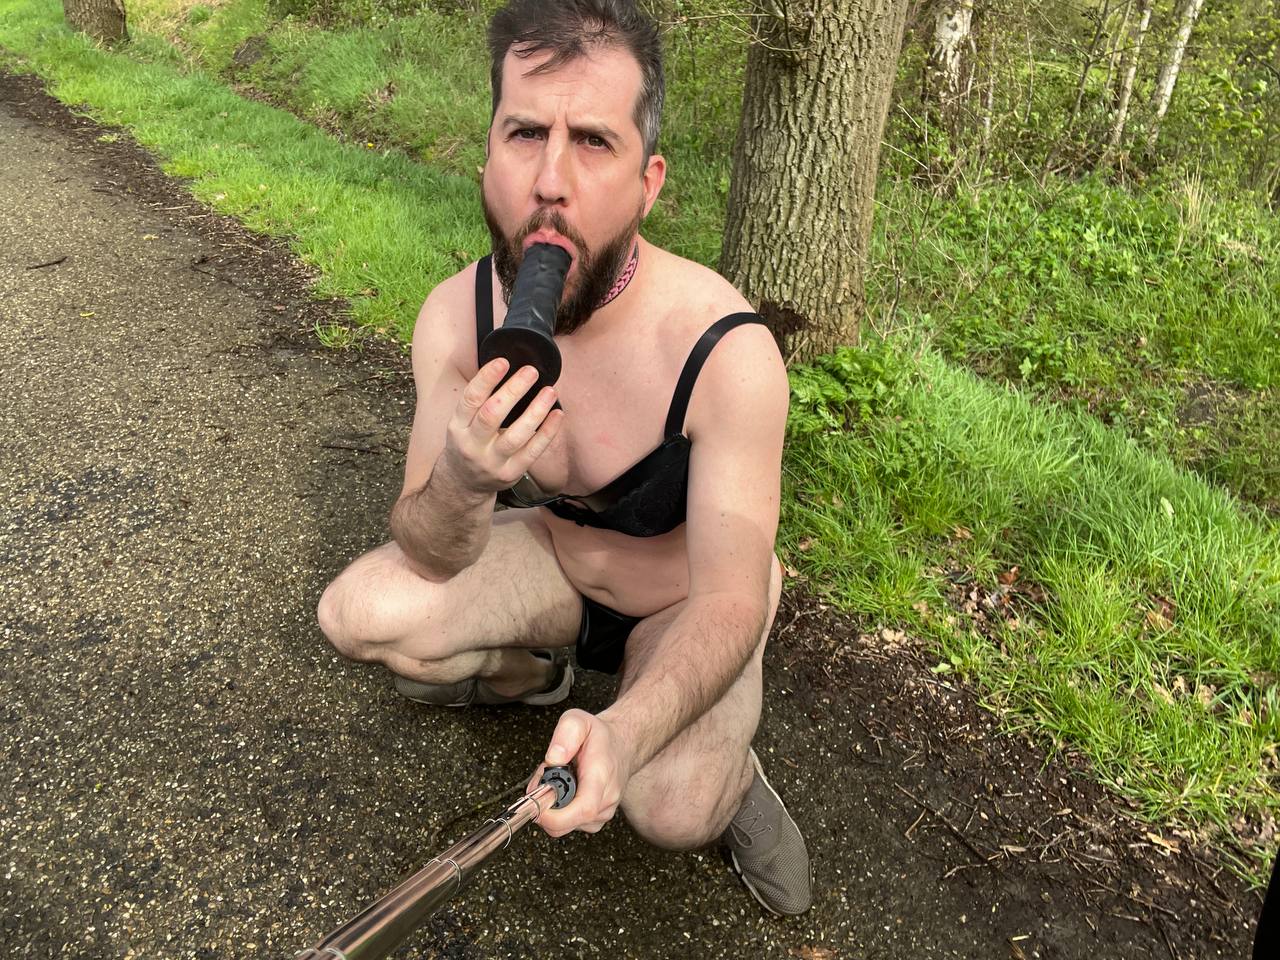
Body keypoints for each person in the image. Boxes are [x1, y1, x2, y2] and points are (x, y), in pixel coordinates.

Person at [317, 0, 810, 917]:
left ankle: (733, 780)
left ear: (647, 182)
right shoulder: (454, 320)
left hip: (689, 597)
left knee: (672, 808)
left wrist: (625, 735)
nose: (551, 181)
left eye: (592, 142)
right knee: (360, 613)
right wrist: (464, 481)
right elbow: (428, 549)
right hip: (559, 566)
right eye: (525, 133)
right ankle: (534, 679)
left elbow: (730, 598)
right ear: (487, 156)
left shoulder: (724, 351)